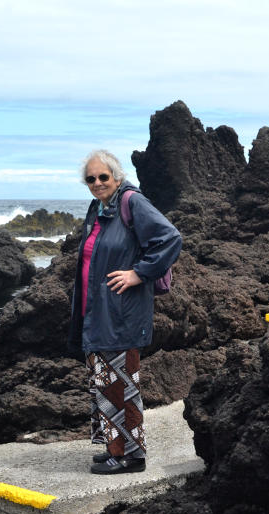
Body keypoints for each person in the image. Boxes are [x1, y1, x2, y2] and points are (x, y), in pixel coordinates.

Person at [67, 149, 182, 475]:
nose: (97, 183)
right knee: (105, 383)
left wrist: (138, 273)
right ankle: (115, 447)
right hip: (98, 313)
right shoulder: (99, 208)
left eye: (104, 176)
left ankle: (130, 457)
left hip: (121, 313)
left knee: (121, 386)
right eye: (91, 178)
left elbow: (170, 238)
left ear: (117, 177)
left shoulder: (132, 202)